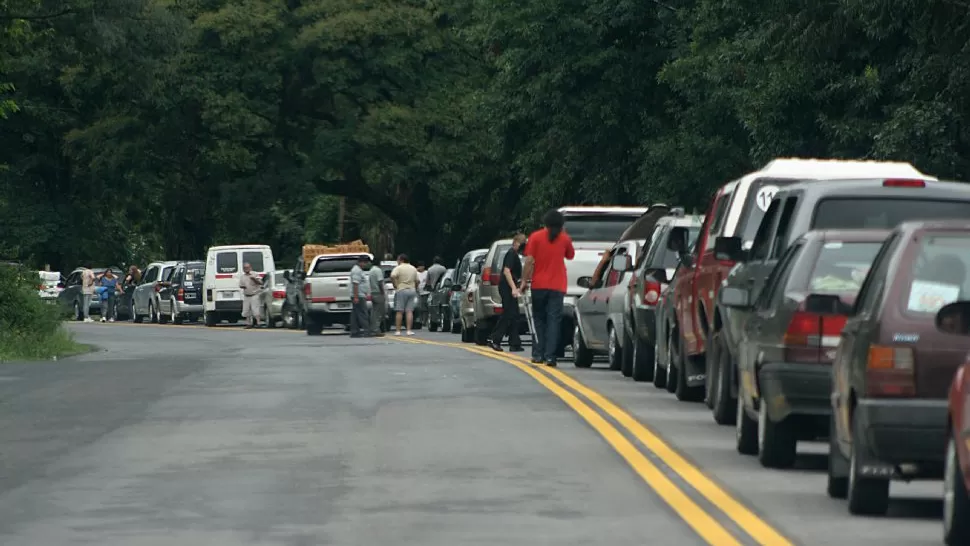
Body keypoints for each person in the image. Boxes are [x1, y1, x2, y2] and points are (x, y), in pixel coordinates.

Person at [523, 209, 575, 366]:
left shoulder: (535, 237)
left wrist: (524, 280)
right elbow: (570, 255)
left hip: (539, 284)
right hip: (557, 285)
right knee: (554, 321)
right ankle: (551, 356)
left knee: (538, 319)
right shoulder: (564, 239)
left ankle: (538, 353)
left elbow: (529, 260)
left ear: (545, 222)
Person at [489, 234, 526, 353]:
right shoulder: (511, 254)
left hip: (510, 286)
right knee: (508, 313)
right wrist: (513, 288)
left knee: (514, 314)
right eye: (520, 243)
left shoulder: (515, 255)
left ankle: (514, 342)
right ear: (515, 242)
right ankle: (495, 339)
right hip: (506, 287)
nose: (522, 246)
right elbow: (506, 271)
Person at [390, 254, 420, 336]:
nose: (397, 261)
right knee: (409, 311)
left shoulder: (399, 268)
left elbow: (392, 276)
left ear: (401, 260)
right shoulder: (413, 268)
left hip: (401, 289)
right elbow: (417, 280)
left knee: (399, 310)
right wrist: (415, 288)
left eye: (398, 260)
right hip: (412, 290)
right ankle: (409, 330)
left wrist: (395, 284)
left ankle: (398, 330)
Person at [349, 255, 372, 338]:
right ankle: (367, 331)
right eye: (365, 263)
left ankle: (354, 331)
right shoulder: (356, 271)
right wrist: (356, 297)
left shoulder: (359, 270)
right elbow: (356, 284)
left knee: (355, 314)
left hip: (359, 294)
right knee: (363, 313)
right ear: (361, 262)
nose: (365, 265)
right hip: (359, 295)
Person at [239, 262, 262, 329]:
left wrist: (254, 279)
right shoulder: (242, 277)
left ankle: (258, 323)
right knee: (246, 310)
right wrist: (243, 286)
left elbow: (260, 282)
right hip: (246, 295)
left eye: (247, 267)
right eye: (245, 268)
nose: (246, 269)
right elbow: (240, 285)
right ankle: (248, 323)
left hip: (254, 294)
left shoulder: (255, 274)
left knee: (255, 310)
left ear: (250, 268)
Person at [368, 259, 387, 337]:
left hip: (373, 292)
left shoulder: (371, 270)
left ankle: (372, 329)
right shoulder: (378, 270)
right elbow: (380, 282)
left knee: (374, 313)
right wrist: (382, 292)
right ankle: (376, 330)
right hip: (378, 293)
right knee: (379, 313)